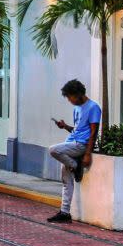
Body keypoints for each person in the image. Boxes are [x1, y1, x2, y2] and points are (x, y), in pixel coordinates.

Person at [46, 79, 101, 223]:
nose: (70, 100)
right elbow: (77, 130)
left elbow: (93, 132)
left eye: (71, 97)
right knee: (66, 180)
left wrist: (87, 154)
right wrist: (64, 126)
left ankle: (75, 165)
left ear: (78, 94)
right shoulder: (76, 108)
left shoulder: (93, 107)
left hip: (81, 146)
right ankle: (65, 213)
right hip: (72, 142)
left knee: (53, 150)